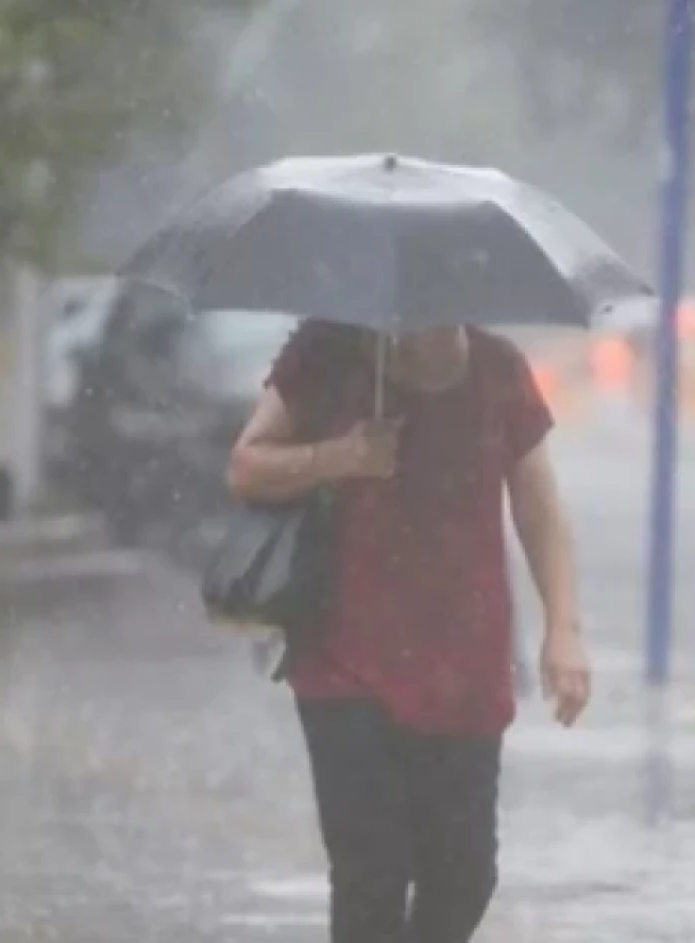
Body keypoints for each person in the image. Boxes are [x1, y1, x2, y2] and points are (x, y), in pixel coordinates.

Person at [225, 320, 591, 943]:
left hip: (465, 664)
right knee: (371, 872)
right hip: (344, 660)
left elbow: (536, 504)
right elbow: (245, 465)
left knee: (466, 876)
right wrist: (339, 456)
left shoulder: (497, 369)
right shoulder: (328, 352)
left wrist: (563, 628)